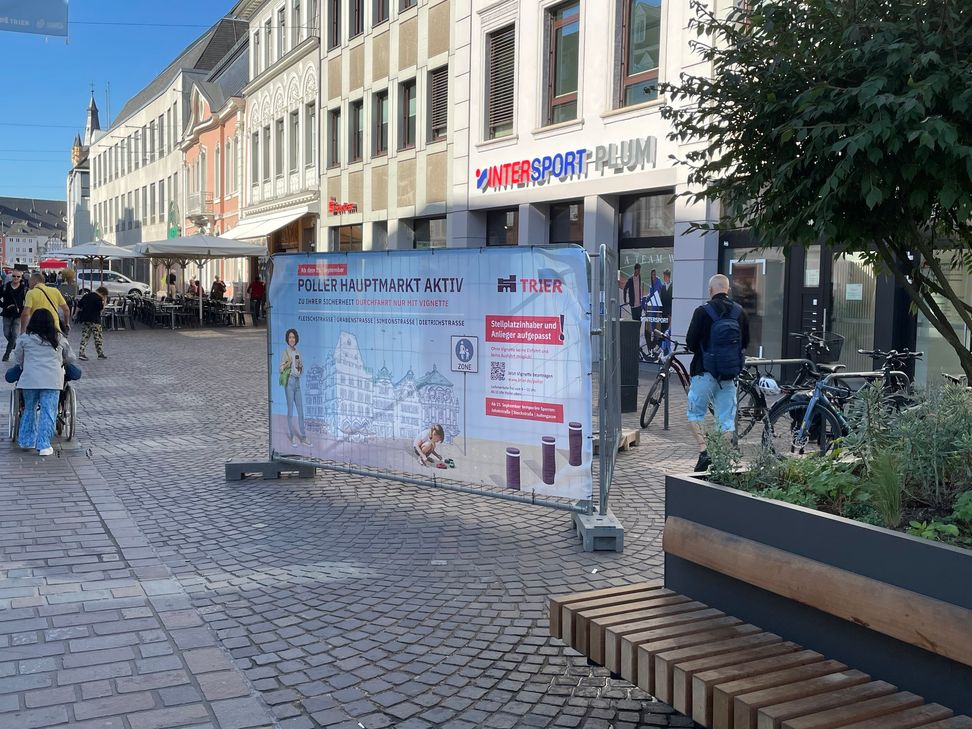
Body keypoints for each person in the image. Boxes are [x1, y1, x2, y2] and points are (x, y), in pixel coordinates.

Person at [685, 274, 750, 472]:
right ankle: (720, 456)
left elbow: (690, 343)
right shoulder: (740, 312)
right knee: (726, 418)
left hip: (704, 371)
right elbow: (745, 343)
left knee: (696, 412)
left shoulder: (702, 312)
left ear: (710, 290)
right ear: (727, 290)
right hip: (729, 374)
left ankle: (705, 451)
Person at [11, 309, 77, 457]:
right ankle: (44, 445)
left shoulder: (24, 339)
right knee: (48, 411)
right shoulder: (59, 338)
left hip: (30, 380)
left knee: (29, 409)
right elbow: (70, 358)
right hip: (52, 380)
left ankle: (27, 440)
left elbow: (18, 359)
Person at [279, 328, 310, 446]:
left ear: (296, 339)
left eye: (293, 337)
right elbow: (281, 369)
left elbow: (300, 371)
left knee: (300, 411)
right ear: (287, 339)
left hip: (297, 382)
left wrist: (300, 367)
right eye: (290, 337)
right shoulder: (285, 353)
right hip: (289, 383)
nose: (292, 339)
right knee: (291, 410)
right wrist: (288, 362)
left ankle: (303, 436)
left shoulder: (298, 353)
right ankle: (292, 436)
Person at [0, 270, 27, 362]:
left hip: (18, 315)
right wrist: (4, 306)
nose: (16, 278)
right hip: (7, 314)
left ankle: (6, 354)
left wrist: (22, 309)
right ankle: (13, 344)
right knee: (6, 333)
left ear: (21, 278)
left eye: (18, 277)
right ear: (11, 276)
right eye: (14, 276)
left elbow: (27, 301)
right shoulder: (5, 287)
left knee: (15, 334)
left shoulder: (24, 289)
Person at [77, 286, 109, 361]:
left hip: (85, 319)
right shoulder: (98, 298)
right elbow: (101, 310)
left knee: (85, 337)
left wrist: (75, 314)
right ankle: (100, 354)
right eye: (104, 295)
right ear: (102, 293)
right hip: (95, 320)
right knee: (98, 338)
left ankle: (81, 353)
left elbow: (79, 306)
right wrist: (104, 301)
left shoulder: (86, 295)